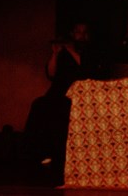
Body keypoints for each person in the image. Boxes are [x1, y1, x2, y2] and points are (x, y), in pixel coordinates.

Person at [23, 21, 107, 186]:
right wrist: (55, 53)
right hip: (58, 92)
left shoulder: (91, 52)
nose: (80, 36)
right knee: (39, 105)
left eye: (84, 32)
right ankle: (38, 154)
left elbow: (84, 70)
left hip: (80, 96)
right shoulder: (63, 52)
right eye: (77, 32)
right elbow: (51, 73)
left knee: (60, 112)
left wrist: (70, 50)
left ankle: (57, 159)